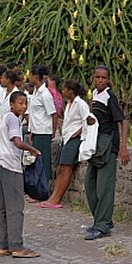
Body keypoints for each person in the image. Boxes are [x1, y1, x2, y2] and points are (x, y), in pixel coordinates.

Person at [84, 65, 130, 240]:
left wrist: (123, 147)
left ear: (108, 79)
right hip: (95, 145)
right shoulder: (95, 95)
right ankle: (102, 220)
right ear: (93, 78)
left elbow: (123, 122)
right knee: (90, 185)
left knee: (104, 188)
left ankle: (102, 226)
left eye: (103, 78)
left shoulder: (110, 97)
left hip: (108, 146)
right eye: (97, 77)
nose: (100, 80)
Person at [0, 91, 41, 258]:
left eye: (25, 103)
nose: (23, 106)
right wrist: (33, 149)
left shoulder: (7, 118)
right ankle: (16, 246)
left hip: (1, 163)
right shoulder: (13, 119)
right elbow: (17, 142)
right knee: (15, 207)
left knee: (3, 207)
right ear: (12, 104)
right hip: (11, 166)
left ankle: (3, 244)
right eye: (20, 103)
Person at [38, 80, 90, 209]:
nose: (62, 92)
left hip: (74, 139)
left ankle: (57, 198)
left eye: (64, 89)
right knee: (60, 169)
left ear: (70, 91)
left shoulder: (81, 104)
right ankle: (53, 197)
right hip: (66, 138)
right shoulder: (70, 104)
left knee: (67, 168)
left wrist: (77, 132)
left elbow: (87, 121)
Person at [28, 65, 57, 188]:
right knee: (37, 161)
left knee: (43, 161)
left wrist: (53, 131)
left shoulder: (45, 94)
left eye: (30, 75)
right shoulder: (35, 91)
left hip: (43, 131)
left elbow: (54, 113)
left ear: (35, 76)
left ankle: (44, 189)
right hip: (37, 130)